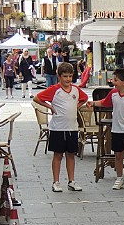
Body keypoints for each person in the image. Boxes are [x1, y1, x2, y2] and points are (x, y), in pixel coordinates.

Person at [34, 62, 89, 192]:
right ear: (59, 76)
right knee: (58, 155)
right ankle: (56, 181)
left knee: (71, 154)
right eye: (65, 76)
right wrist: (50, 107)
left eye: (70, 76)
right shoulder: (54, 90)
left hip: (72, 127)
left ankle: (71, 180)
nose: (68, 79)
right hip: (57, 128)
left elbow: (85, 98)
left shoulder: (76, 89)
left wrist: (77, 107)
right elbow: (37, 98)